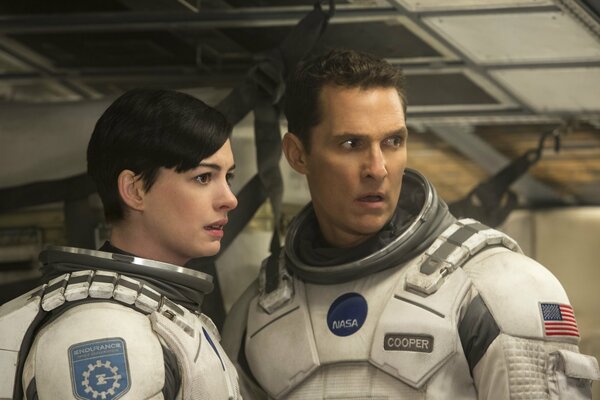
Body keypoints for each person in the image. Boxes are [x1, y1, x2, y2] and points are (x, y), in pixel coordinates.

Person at [222, 49, 600, 399]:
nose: (377, 168)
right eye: (351, 144)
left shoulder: (500, 288)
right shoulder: (258, 313)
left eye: (392, 141)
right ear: (297, 154)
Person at [0, 89, 242, 400]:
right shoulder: (105, 332)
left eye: (228, 177)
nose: (229, 199)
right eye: (203, 178)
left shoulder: (149, 314)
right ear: (135, 190)